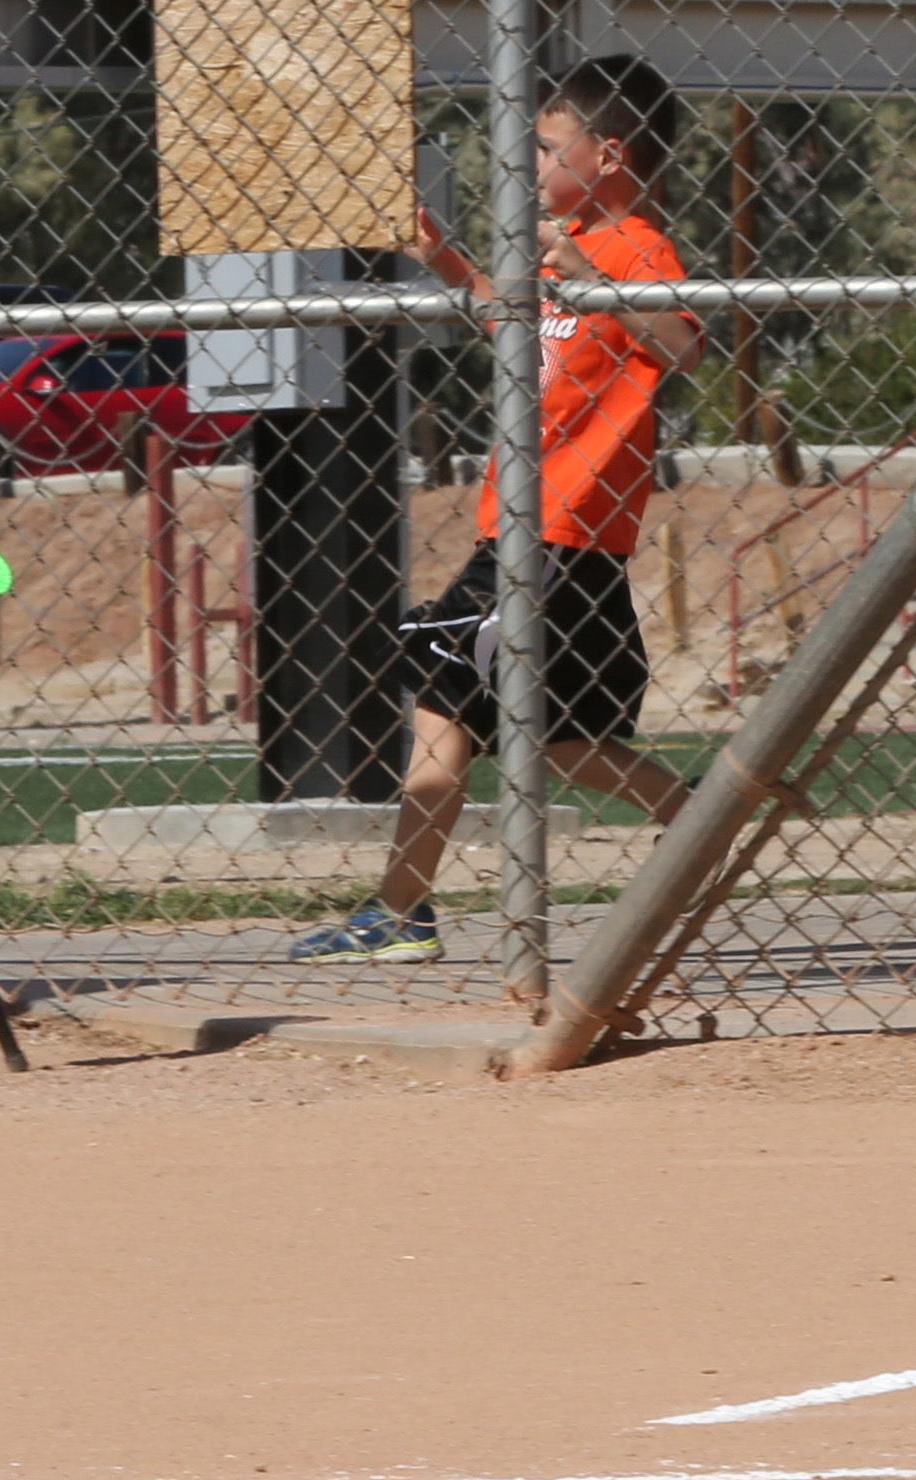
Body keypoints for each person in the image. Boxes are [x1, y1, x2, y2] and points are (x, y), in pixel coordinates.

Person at [295, 59, 703, 962]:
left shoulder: (634, 246)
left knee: (445, 698)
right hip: (534, 532)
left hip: (555, 534)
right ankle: (697, 818)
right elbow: (512, 327)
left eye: (549, 149)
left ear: (609, 156)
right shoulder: (567, 247)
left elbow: (680, 346)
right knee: (562, 738)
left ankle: (401, 914)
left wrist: (592, 278)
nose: (531, 165)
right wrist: (440, 254)